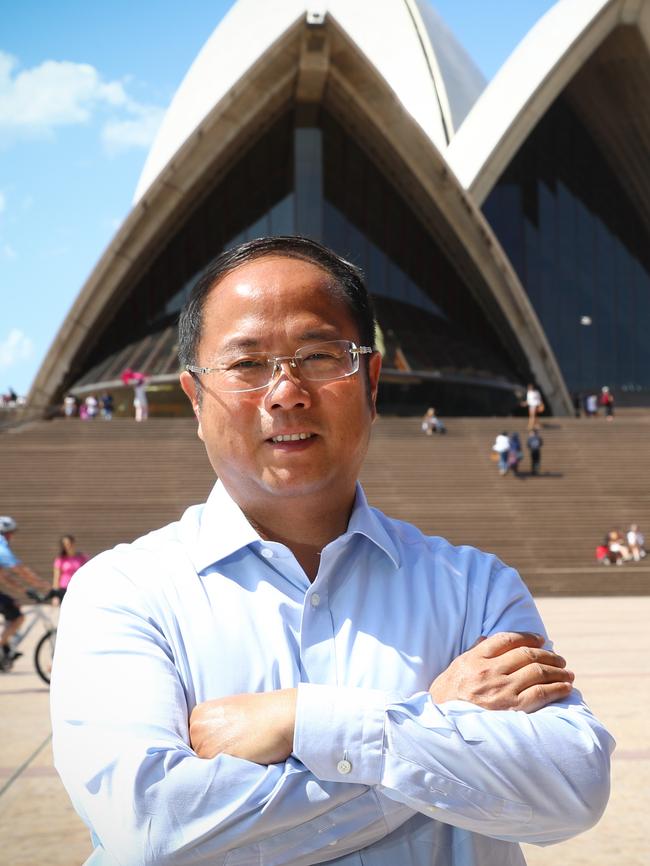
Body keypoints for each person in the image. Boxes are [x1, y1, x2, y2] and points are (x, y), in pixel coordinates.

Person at [51, 237, 613, 866]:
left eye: (320, 355)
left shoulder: (475, 588)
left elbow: (571, 785)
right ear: (196, 399)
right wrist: (427, 722)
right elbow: (151, 827)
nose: (286, 392)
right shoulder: (123, 593)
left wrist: (303, 721)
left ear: (372, 381)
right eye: (246, 364)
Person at [0, 516, 41, 670]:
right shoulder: (1, 546)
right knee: (19, 617)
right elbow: (20, 570)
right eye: (11, 533)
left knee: (13, 606)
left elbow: (4, 578)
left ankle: (5, 651)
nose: (12, 537)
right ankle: (2, 645)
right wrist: (45, 586)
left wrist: (24, 590)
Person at [52, 535, 89, 605]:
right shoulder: (60, 559)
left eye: (69, 543)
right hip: (64, 589)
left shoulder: (82, 557)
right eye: (65, 544)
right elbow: (56, 578)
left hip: (79, 588)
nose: (68, 546)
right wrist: (55, 595)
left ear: (74, 543)